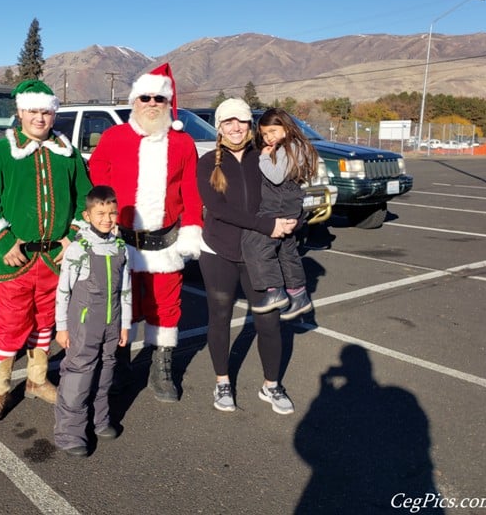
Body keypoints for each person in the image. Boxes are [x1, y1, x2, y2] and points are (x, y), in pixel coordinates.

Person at [0, 79, 92, 423]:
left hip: (56, 261)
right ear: (20, 112)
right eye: (33, 111)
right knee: (9, 324)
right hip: (16, 260)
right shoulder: (1, 151)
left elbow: (85, 196)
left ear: (54, 114)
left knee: (45, 322)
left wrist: (73, 233)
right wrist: (4, 240)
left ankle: (37, 381)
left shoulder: (67, 153)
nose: (39, 118)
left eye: (46, 112)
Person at [88, 63, 203, 402]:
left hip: (164, 242)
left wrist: (192, 229)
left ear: (167, 103)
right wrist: (106, 211)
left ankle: (160, 368)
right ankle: (120, 365)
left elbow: (192, 191)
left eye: (158, 98)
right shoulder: (114, 137)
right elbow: (98, 172)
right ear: (134, 101)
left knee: (166, 308)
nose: (152, 103)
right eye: (145, 97)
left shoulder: (182, 143)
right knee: (120, 306)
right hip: (121, 239)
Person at [196, 98, 298, 415]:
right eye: (228, 122)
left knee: (268, 321)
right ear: (220, 127)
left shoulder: (265, 157)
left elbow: (288, 192)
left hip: (259, 254)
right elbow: (218, 209)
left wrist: (294, 218)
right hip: (219, 252)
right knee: (220, 318)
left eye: (241, 121)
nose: (236, 127)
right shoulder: (207, 162)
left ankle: (271, 385)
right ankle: (223, 381)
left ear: (250, 124)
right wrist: (267, 225)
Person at [53, 185, 132, 457]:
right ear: (87, 216)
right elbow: (63, 291)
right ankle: (70, 432)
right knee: (79, 375)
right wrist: (61, 327)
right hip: (84, 325)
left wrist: (125, 324)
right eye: (100, 213)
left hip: (112, 324)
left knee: (106, 370)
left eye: (112, 213)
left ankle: (100, 421)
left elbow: (126, 290)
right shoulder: (79, 249)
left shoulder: (121, 248)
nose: (107, 219)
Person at [242, 108, 319, 320]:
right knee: (286, 249)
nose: (269, 137)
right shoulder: (297, 146)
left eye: (273, 131)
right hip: (289, 203)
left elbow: (276, 177)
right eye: (265, 134)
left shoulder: (290, 147)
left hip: (279, 204)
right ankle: (299, 295)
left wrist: (264, 158)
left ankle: (274, 290)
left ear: (286, 127)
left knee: (255, 243)